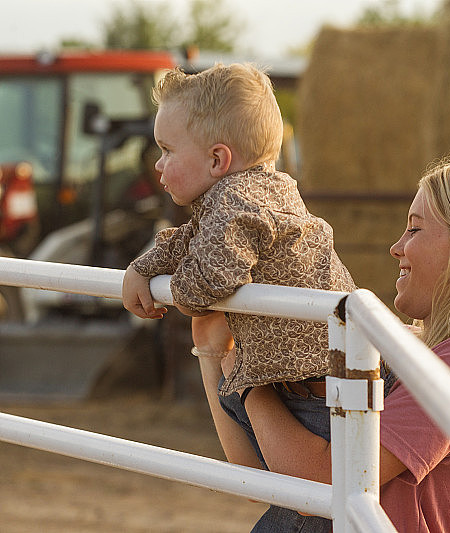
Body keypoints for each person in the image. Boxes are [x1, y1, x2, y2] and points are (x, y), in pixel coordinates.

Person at [192, 155, 450, 532]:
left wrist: (251, 380)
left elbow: (321, 481)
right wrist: (213, 355)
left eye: (415, 230)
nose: (396, 247)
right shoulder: (416, 351)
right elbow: (259, 479)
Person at [122, 64, 356, 532]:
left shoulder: (237, 204)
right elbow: (193, 238)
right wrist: (145, 266)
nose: (158, 164)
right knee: (284, 504)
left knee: (306, 513)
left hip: (314, 394)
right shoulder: (261, 191)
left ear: (217, 160)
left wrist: (173, 291)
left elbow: (210, 279)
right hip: (298, 380)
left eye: (167, 150)